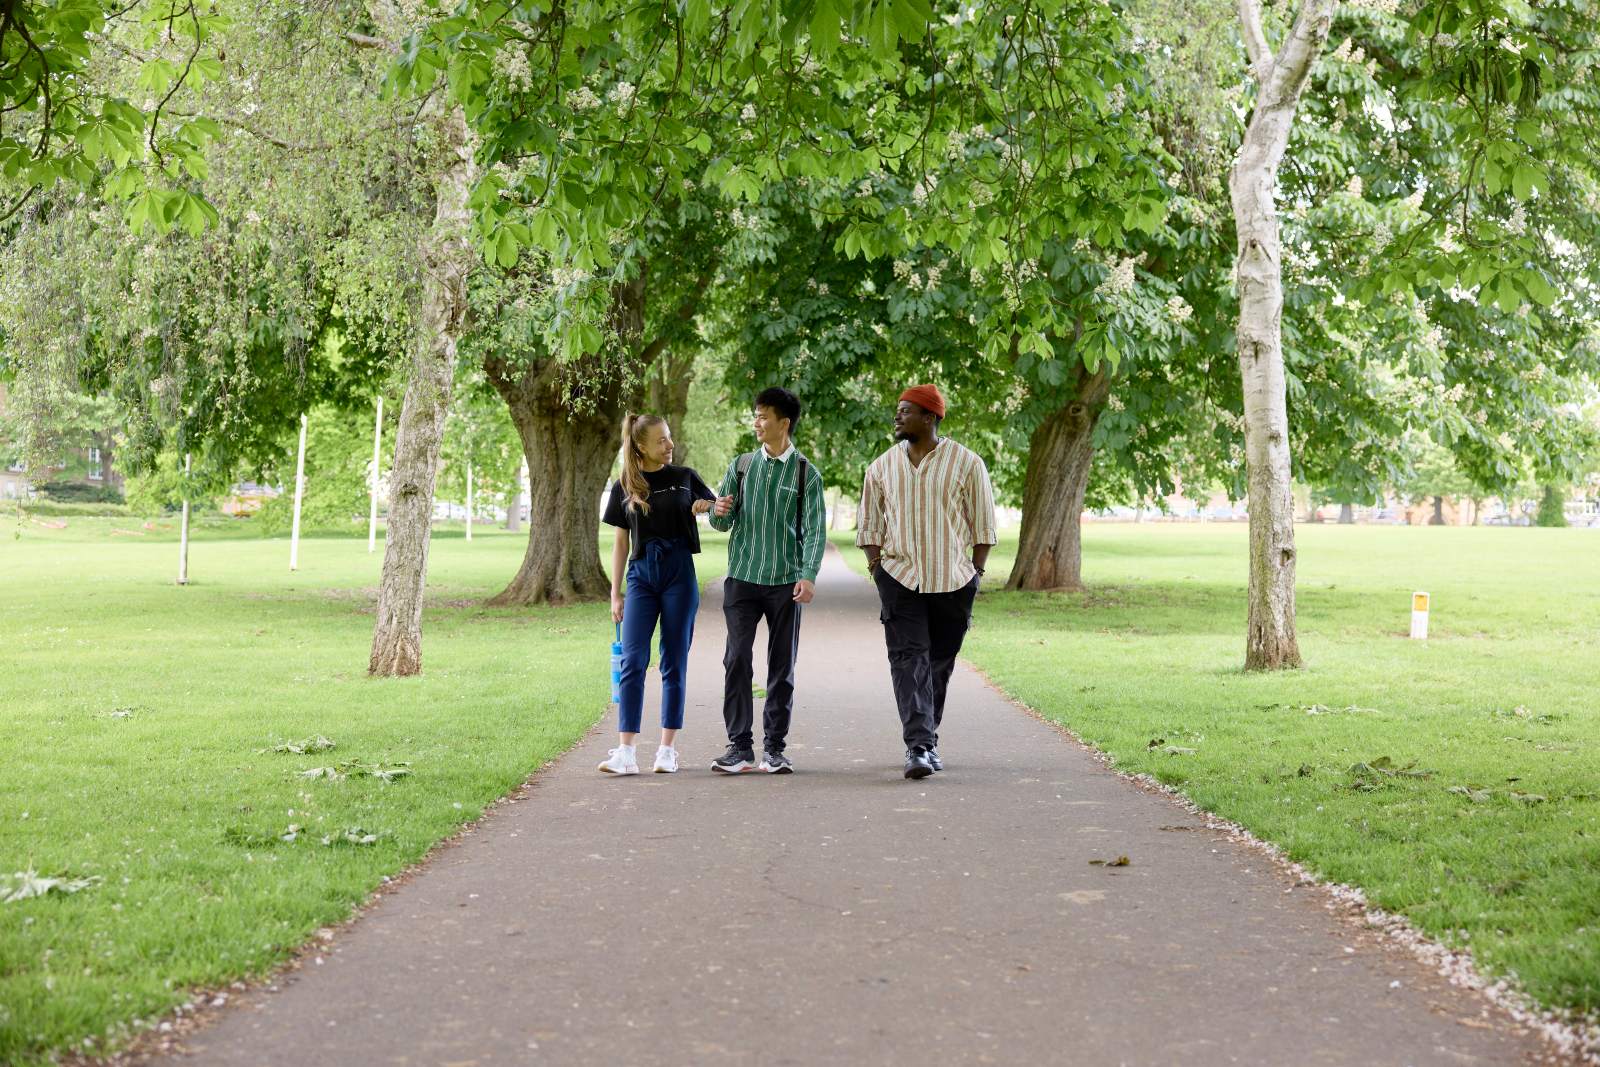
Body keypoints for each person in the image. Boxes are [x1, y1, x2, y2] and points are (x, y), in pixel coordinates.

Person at [856, 384, 998, 780]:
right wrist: (876, 569)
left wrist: (976, 574)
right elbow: (868, 526)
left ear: (930, 417)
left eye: (906, 411)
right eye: (898, 410)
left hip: (953, 579)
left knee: (939, 663)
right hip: (900, 579)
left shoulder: (967, 463)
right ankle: (917, 746)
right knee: (908, 659)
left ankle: (927, 737)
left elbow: (983, 526)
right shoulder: (881, 467)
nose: (897, 416)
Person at [707, 387, 826, 774]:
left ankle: (774, 749)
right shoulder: (741, 466)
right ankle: (739, 747)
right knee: (737, 659)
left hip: (785, 584)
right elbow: (721, 522)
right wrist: (718, 510)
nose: (756, 422)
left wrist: (808, 576)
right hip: (742, 579)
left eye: (763, 416)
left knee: (781, 666)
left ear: (783, 423)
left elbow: (814, 530)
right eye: (755, 416)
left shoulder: (807, 473)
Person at [599, 413, 716, 775]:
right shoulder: (624, 486)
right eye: (662, 440)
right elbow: (620, 543)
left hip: (679, 573)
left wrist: (706, 506)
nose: (670, 445)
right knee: (633, 661)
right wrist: (615, 593)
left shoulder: (685, 478)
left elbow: (719, 508)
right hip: (641, 578)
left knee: (673, 660)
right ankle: (626, 753)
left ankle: (667, 750)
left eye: (669, 438)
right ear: (641, 446)